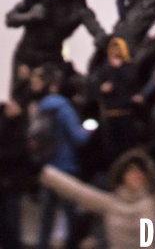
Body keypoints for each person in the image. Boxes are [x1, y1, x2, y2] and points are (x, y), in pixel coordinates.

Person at [40, 141, 155, 249]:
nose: (136, 175)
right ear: (122, 175)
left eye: (140, 171)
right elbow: (75, 190)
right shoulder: (108, 203)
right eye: (131, 171)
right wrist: (42, 172)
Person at [37, 72, 91, 249]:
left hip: (47, 167)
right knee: (70, 215)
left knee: (46, 218)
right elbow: (79, 138)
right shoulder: (65, 109)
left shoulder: (44, 106)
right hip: (65, 168)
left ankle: (43, 245)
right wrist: (89, 130)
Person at [95, 37, 143, 163]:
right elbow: (96, 85)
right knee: (112, 153)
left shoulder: (130, 67)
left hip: (126, 114)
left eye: (118, 48)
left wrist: (118, 69)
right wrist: (101, 88)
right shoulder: (104, 68)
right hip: (110, 116)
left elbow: (130, 83)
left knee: (128, 151)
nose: (116, 51)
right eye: (113, 48)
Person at [0, 100, 36, 249]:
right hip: (10, 180)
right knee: (9, 221)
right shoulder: (10, 128)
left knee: (10, 221)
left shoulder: (20, 127)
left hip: (12, 182)